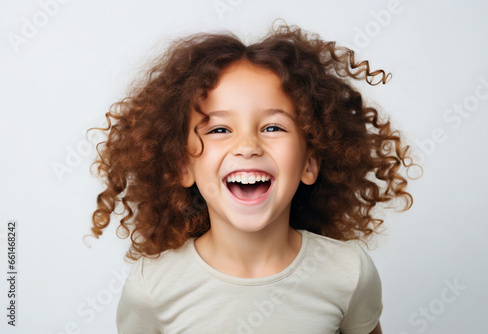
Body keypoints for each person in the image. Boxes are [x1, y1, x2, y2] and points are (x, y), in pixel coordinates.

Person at [85, 19, 421, 333]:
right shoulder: (152, 287)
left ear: (309, 162)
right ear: (182, 166)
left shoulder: (349, 273)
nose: (247, 146)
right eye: (219, 129)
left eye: (273, 127)